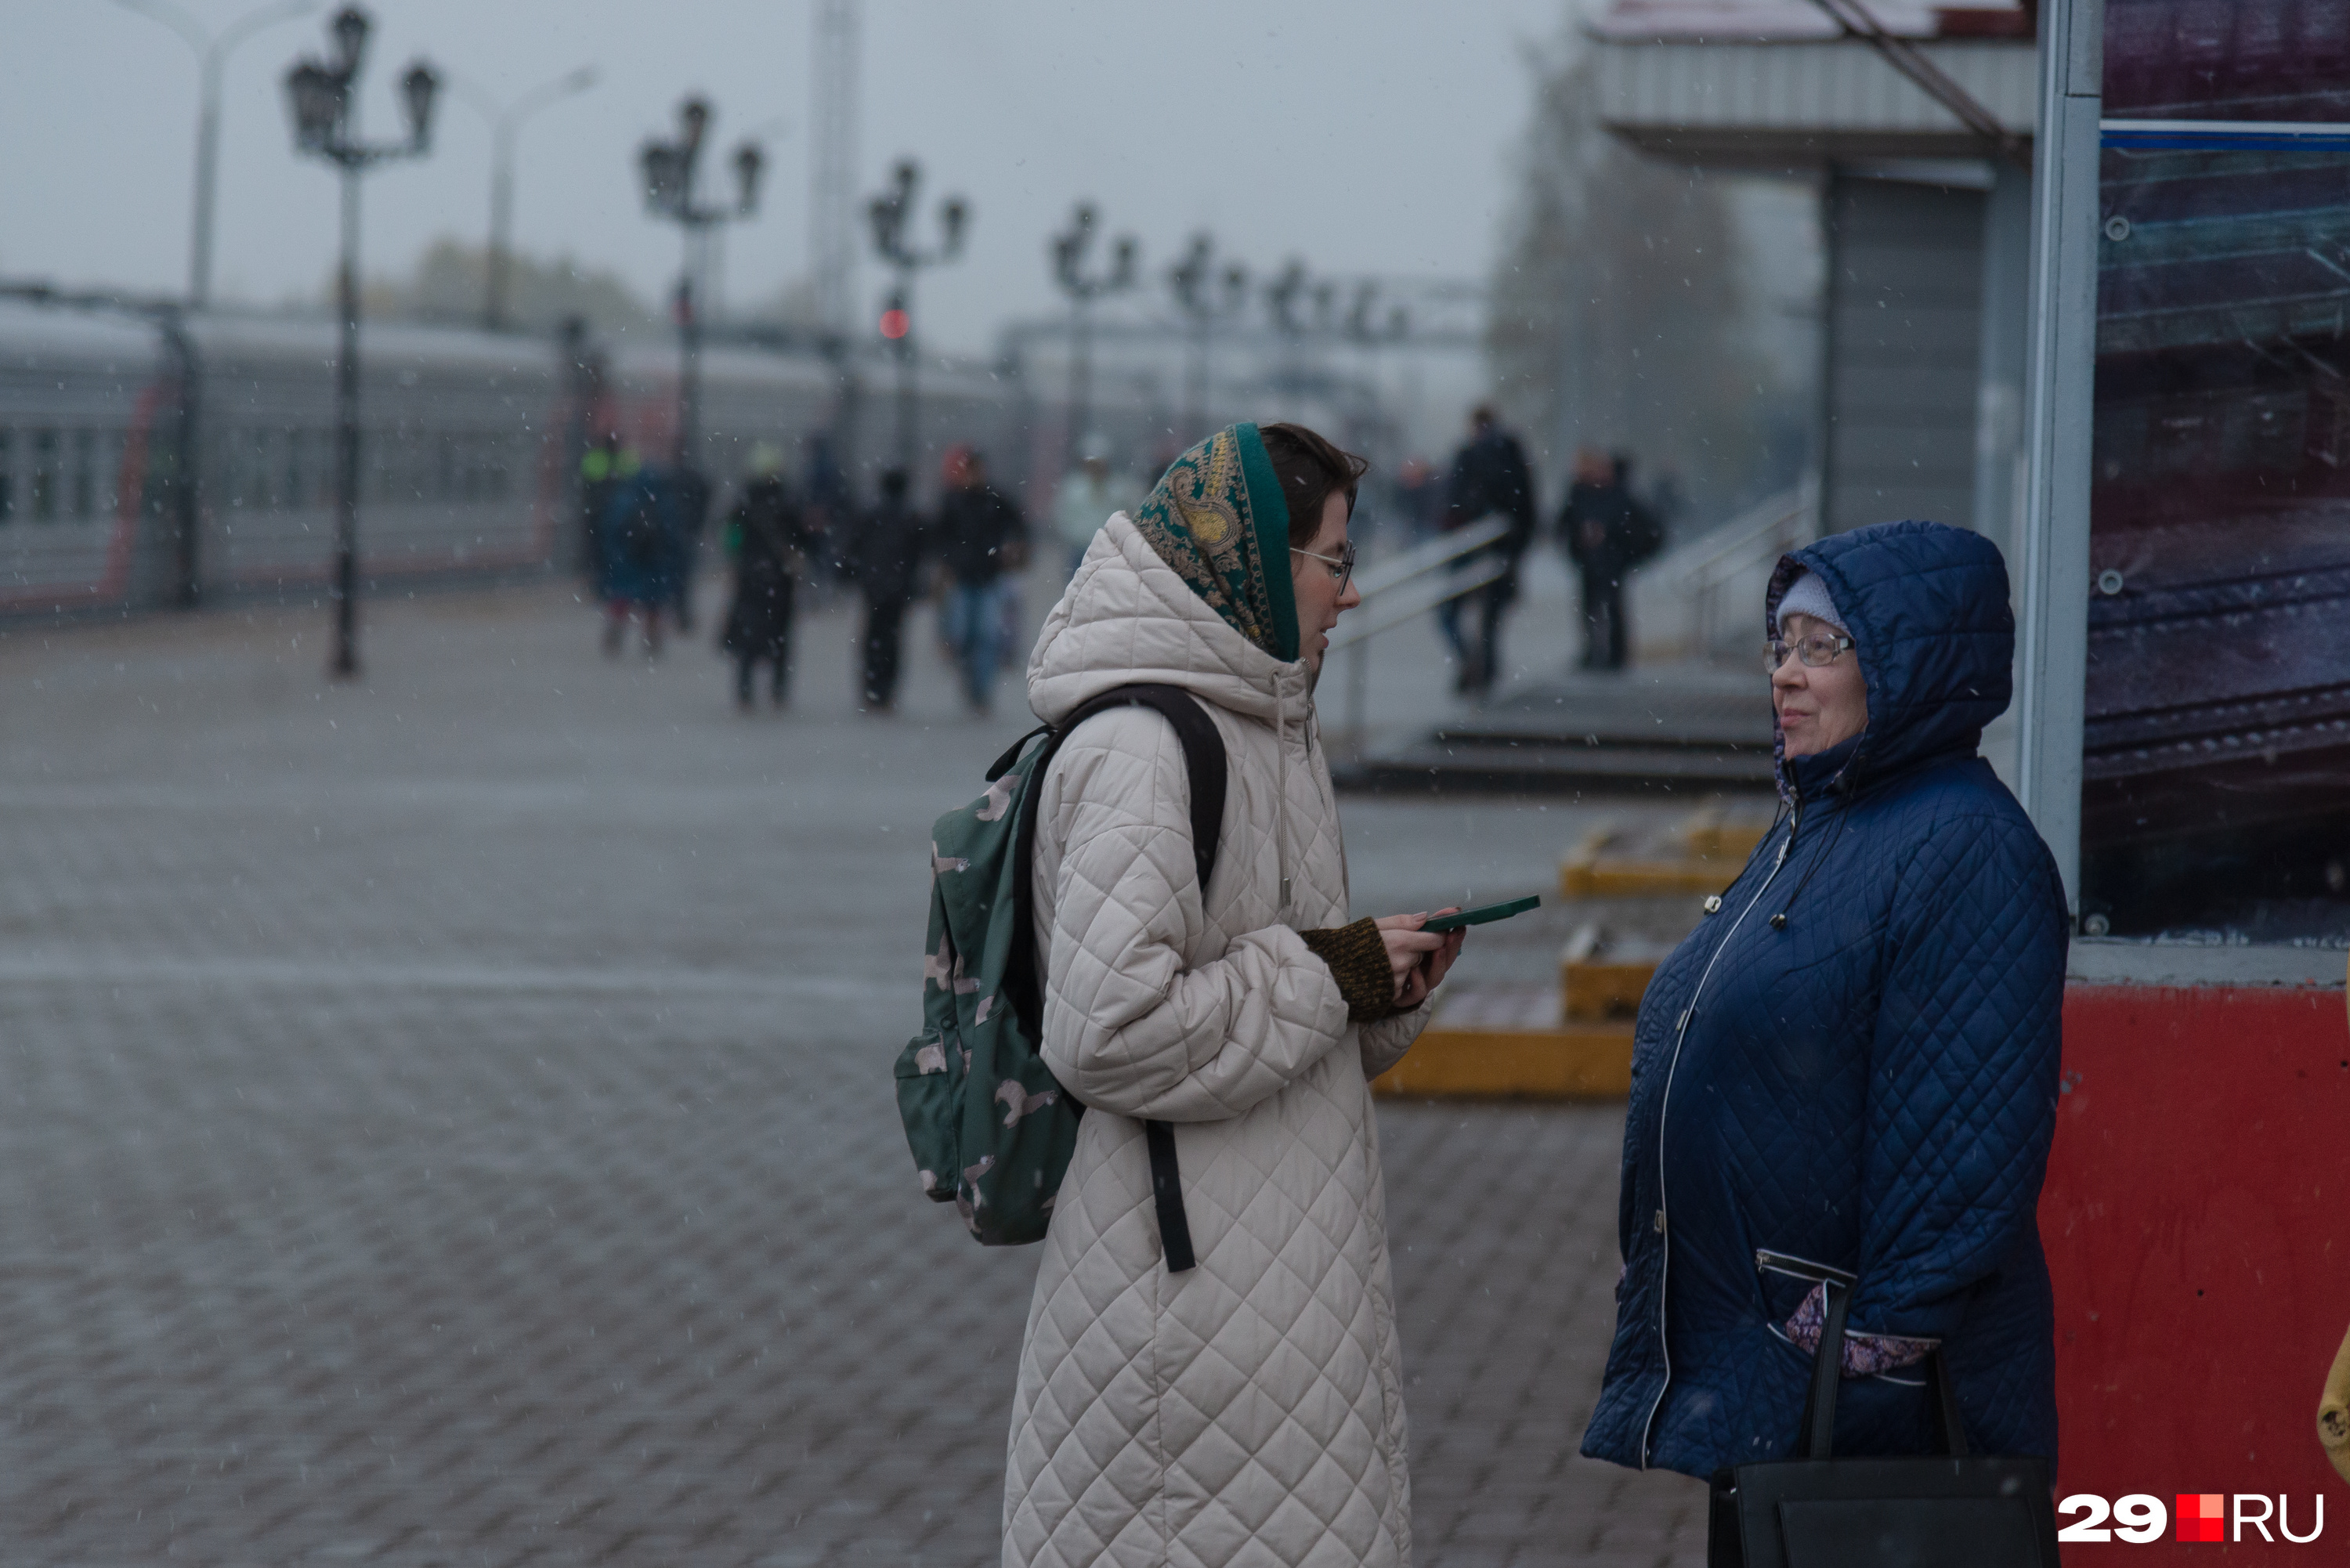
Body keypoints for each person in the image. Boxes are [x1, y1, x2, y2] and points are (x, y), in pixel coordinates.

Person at [1003, 421, 1467, 1568]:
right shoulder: (1144, 751)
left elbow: (1282, 1012)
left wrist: (1381, 984)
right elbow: (1111, 1032)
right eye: (1336, 563)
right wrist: (1333, 969)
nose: (1351, 596)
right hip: (1189, 1316)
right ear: (1257, 561)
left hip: (1272, 1292)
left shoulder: (1267, 720)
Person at [1581, 519, 2067, 1480]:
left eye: (1824, 648)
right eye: (1782, 646)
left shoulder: (1965, 849)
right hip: (1775, 1375)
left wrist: (1861, 1347)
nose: (1787, 675)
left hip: (1864, 1414)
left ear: (1910, 665)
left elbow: (1964, 1146)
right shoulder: (1825, 821)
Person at [1436, 404, 1537, 697]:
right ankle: (1485, 672)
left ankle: (1473, 666)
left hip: (1472, 547)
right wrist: (1516, 549)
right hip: (1501, 550)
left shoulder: (1471, 455)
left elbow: (1454, 503)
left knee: (1450, 613)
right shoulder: (1514, 457)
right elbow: (1527, 509)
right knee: (1490, 616)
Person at [930, 445, 1029, 716]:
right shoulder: (953, 500)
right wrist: (947, 563)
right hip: (962, 577)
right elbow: (939, 535)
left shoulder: (995, 499)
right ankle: (970, 681)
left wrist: (1014, 549)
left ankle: (980, 690)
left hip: (988, 577)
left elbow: (1020, 526)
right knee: (964, 635)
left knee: (986, 636)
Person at [718, 446, 816, 710]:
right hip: (780, 577)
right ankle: (778, 689)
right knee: (781, 633)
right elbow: (804, 540)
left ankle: (745, 688)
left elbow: (732, 539)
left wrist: (737, 561)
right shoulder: (790, 504)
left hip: (750, 575)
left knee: (749, 631)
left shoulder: (744, 503)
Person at [1556, 448, 1661, 672]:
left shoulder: (1620, 495)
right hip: (1590, 561)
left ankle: (1616, 655)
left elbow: (1641, 527)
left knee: (1613, 608)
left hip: (1613, 562)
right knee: (1590, 608)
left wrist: (1616, 541)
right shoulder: (1581, 492)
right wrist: (1578, 541)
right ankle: (1592, 652)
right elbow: (1565, 523)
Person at [848, 467, 926, 713]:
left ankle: (871, 688)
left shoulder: (870, 515)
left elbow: (854, 547)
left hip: (873, 586)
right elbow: (919, 553)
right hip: (900, 588)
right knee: (893, 639)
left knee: (873, 638)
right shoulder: (912, 518)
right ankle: (887, 691)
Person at [598, 464, 677, 657]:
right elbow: (673, 536)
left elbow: (610, 532)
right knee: (653, 602)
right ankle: (652, 641)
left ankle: (614, 637)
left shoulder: (623, 500)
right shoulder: (664, 502)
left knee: (621, 597)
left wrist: (614, 557)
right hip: (655, 562)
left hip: (627, 560)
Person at [1050, 436, 1147, 579]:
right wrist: (1076, 535)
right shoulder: (1073, 489)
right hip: (1079, 550)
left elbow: (1131, 514)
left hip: (1111, 551)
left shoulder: (1120, 489)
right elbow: (1063, 517)